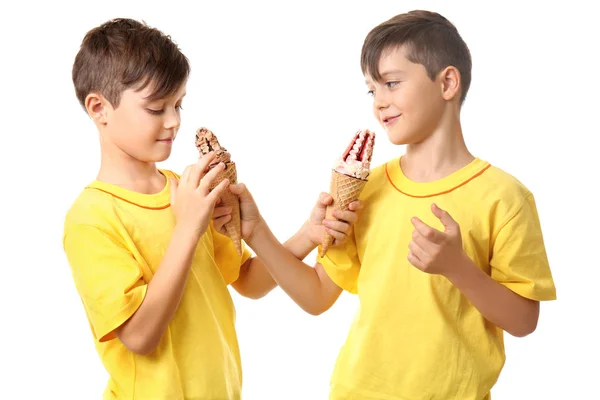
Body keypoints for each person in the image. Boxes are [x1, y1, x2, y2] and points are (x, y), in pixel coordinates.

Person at [233, 10, 557, 399]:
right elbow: (317, 296)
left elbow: (524, 321)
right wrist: (257, 232)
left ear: (447, 83)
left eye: (391, 83)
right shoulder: (367, 189)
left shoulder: (504, 197)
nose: (379, 104)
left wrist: (457, 268)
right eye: (372, 90)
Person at [62, 17, 360, 399]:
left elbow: (248, 281)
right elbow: (139, 336)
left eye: (178, 104)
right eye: (156, 108)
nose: (174, 122)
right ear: (99, 108)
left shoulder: (184, 190)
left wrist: (307, 234)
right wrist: (187, 227)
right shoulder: (91, 219)